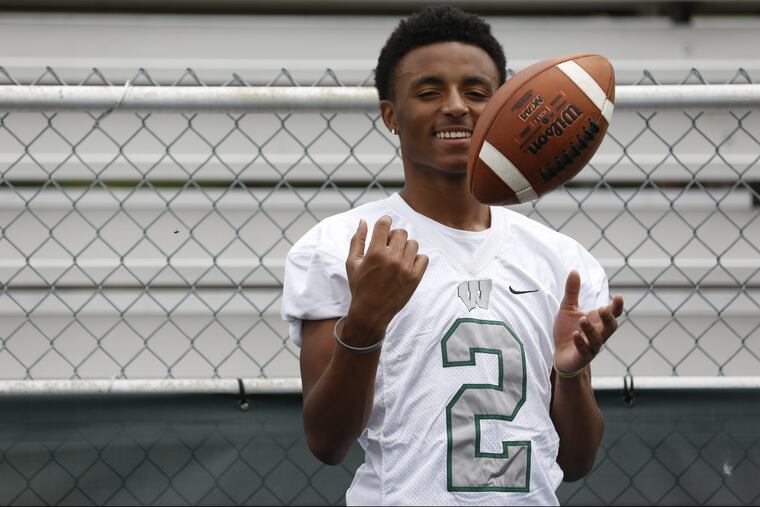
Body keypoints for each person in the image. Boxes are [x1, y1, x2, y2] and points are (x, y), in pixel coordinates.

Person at [281, 5, 624, 505]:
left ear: (507, 105)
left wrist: (570, 375)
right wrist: (365, 324)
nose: (457, 106)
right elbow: (327, 443)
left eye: (478, 92)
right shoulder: (341, 245)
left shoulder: (559, 261)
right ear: (391, 115)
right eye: (429, 91)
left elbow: (576, 463)